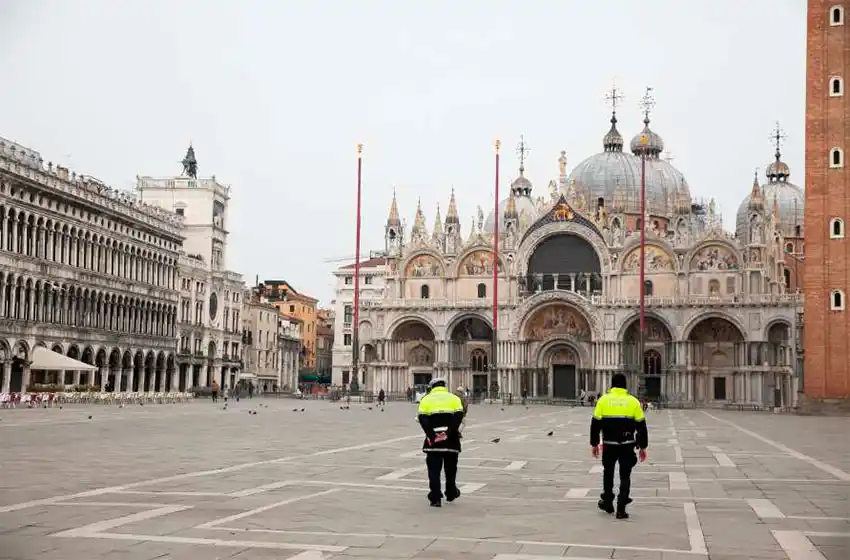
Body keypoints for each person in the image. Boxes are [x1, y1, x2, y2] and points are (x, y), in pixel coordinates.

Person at [589, 373, 648, 519]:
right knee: (625, 475)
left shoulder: (603, 400)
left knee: (608, 473)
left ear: (612, 385)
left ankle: (608, 502)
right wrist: (642, 446)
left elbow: (595, 424)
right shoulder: (633, 402)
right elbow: (641, 426)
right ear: (625, 385)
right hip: (627, 445)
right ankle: (621, 507)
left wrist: (595, 444)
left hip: (609, 444)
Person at [417, 378, 465, 507]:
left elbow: (422, 419)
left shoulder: (425, 399)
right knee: (451, 469)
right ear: (444, 386)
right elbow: (459, 417)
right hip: (451, 441)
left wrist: (432, 436)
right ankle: (450, 493)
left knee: (434, 470)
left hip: (433, 443)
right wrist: (448, 433)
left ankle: (435, 497)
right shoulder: (454, 399)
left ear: (432, 387)